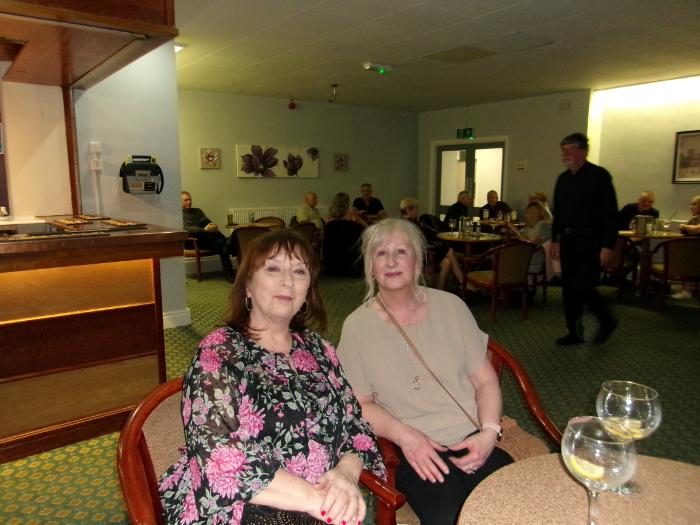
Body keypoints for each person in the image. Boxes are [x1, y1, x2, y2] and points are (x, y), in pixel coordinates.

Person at [159, 230, 386, 525]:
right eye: (273, 268)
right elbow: (217, 452)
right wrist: (315, 501)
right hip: (242, 508)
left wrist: (345, 474)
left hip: (326, 501)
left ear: (308, 291)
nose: (287, 281)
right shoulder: (220, 351)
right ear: (248, 286)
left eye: (300, 271)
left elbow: (356, 425)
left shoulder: (320, 349)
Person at [337, 219, 513, 525]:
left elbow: (485, 380)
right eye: (381, 253)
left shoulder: (452, 307)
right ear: (371, 266)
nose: (391, 262)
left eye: (401, 251)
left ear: (417, 261)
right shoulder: (357, 327)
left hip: (472, 435)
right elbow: (360, 405)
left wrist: (489, 432)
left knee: (511, 505)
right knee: (449, 515)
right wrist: (407, 438)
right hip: (414, 445)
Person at [549, 133, 619, 346]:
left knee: (584, 286)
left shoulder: (599, 176)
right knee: (569, 289)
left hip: (591, 242)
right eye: (562, 150)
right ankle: (574, 332)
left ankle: (607, 321)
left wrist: (607, 245)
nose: (564, 154)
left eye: (569, 149)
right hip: (568, 241)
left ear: (583, 151)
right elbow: (558, 214)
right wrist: (555, 240)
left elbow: (611, 213)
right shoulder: (562, 179)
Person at [400, 198, 462, 291]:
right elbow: (417, 244)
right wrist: (433, 245)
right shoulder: (407, 225)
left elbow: (422, 240)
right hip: (419, 257)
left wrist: (432, 243)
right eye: (416, 208)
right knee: (449, 250)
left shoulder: (409, 222)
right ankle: (462, 282)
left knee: (447, 262)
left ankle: (439, 289)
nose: (417, 211)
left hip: (423, 253)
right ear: (409, 210)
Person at [182, 190, 235, 282]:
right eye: (186, 200)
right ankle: (228, 271)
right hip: (193, 242)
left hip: (207, 239)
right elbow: (185, 229)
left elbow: (209, 224)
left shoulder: (197, 211)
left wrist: (213, 227)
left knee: (220, 243)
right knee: (204, 221)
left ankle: (228, 272)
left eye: (190, 200)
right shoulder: (178, 214)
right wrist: (204, 230)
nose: (189, 202)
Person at [507, 200, 552, 275]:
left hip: (533, 261)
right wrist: (511, 232)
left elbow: (530, 243)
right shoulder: (534, 226)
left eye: (528, 213)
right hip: (528, 256)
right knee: (501, 256)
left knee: (502, 259)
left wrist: (516, 232)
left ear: (537, 213)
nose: (526, 215)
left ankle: (511, 280)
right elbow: (524, 232)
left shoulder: (543, 224)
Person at [672, 195, 700, 300]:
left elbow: (697, 229)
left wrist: (683, 226)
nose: (690, 207)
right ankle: (686, 287)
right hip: (693, 250)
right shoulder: (695, 218)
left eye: (694, 204)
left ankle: (687, 290)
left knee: (686, 257)